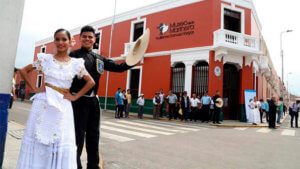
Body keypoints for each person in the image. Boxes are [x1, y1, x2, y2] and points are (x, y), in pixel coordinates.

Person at [16, 29, 95, 169]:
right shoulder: (45, 59)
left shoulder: (76, 63)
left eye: (64, 39)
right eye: (57, 39)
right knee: (38, 141)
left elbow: (91, 82)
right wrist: (34, 88)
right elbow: (23, 71)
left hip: (63, 105)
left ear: (70, 42)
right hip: (43, 104)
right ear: (54, 41)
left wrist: (75, 96)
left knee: (59, 141)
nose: (60, 42)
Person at [69, 26, 133, 169]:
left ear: (94, 39)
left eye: (90, 37)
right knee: (77, 136)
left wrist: (133, 59)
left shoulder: (99, 58)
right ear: (80, 38)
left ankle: (93, 165)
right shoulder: (73, 55)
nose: (87, 39)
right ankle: (74, 165)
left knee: (93, 135)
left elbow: (119, 67)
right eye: (84, 36)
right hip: (78, 100)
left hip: (93, 101)